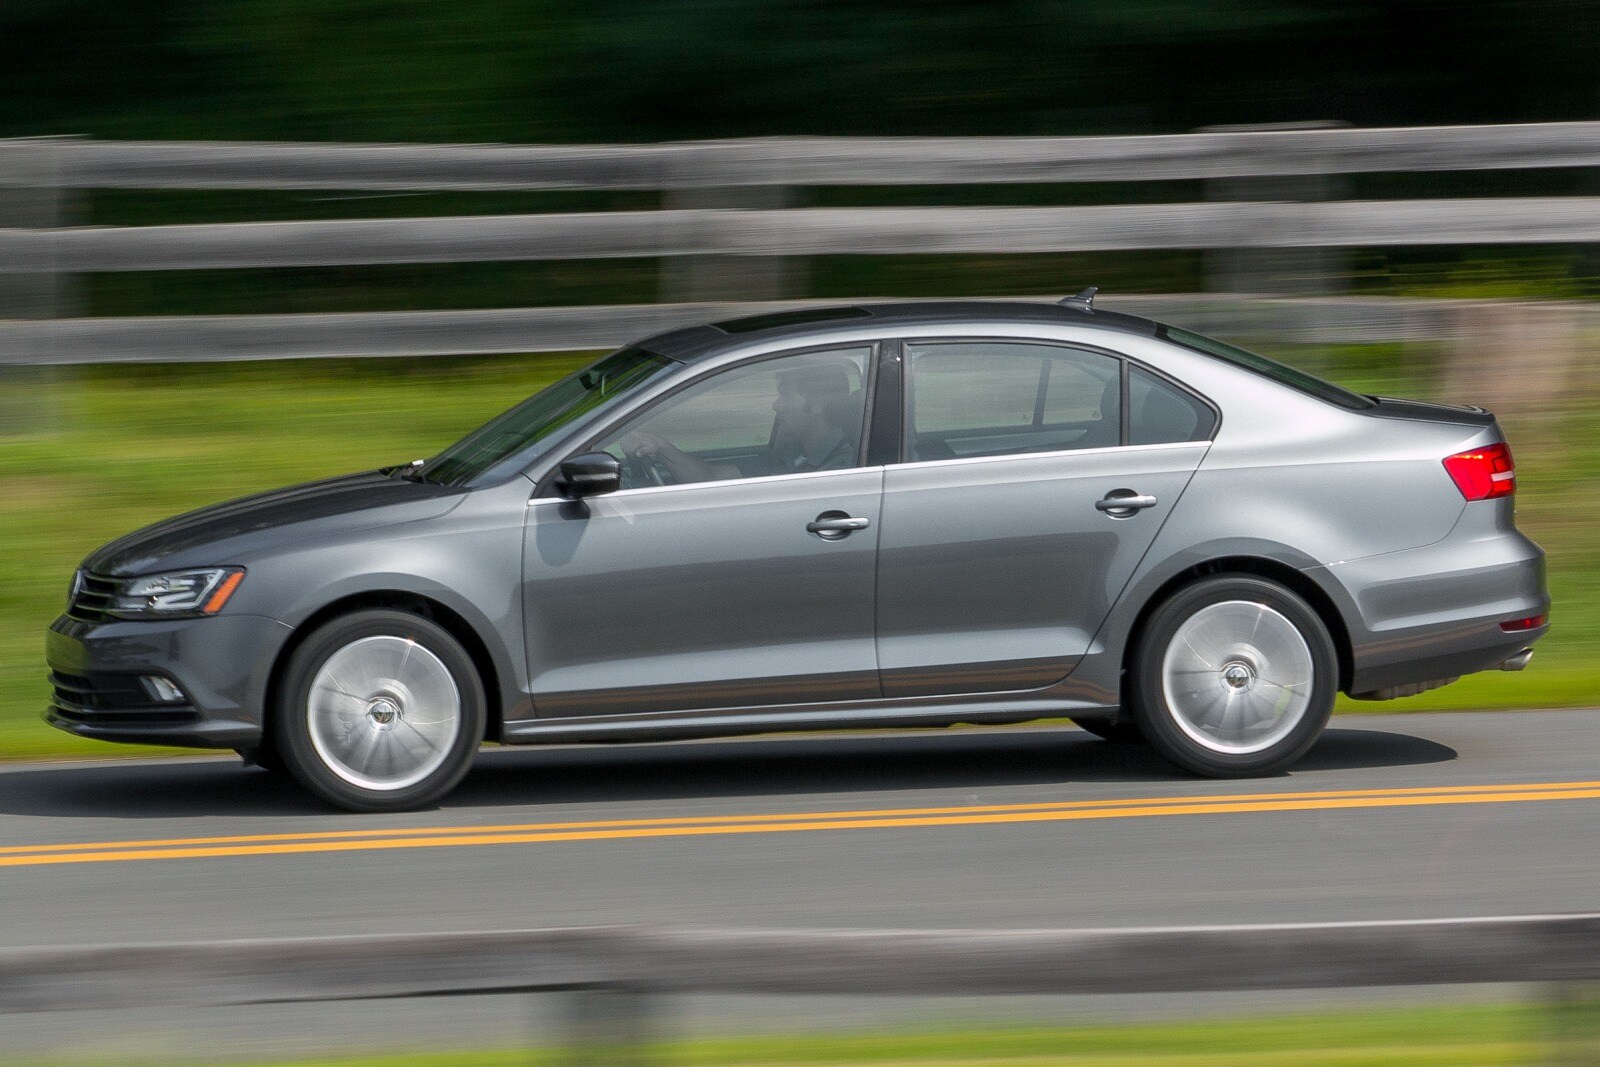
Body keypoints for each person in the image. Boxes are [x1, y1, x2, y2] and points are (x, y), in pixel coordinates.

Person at [620, 363, 859, 485]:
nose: (776, 405)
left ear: (816, 405)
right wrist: (660, 446)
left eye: (785, 395)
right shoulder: (793, 454)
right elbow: (711, 477)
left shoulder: (842, 466)